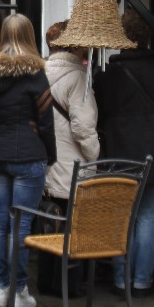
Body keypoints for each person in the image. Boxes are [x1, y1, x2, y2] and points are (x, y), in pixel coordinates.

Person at [0, 13, 55, 307]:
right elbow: (46, 121)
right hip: (29, 154)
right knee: (21, 224)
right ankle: (19, 292)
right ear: (30, 36)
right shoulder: (36, 74)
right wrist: (51, 156)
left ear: (3, 35)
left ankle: (0, 288)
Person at [95, 10, 154, 296]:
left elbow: (100, 113)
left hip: (120, 151)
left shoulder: (108, 76)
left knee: (121, 217)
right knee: (148, 217)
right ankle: (142, 281)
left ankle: (120, 279)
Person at [44, 20, 100, 200]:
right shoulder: (77, 78)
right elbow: (83, 128)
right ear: (73, 46)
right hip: (72, 171)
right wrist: (95, 155)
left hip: (46, 169)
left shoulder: (39, 74)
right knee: (72, 217)